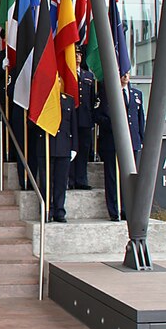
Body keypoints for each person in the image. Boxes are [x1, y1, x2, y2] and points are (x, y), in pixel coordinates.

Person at [95, 71, 145, 221]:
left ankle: (127, 209)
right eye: (122, 73)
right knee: (112, 177)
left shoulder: (136, 94)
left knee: (129, 178)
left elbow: (140, 118)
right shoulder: (107, 93)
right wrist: (114, 125)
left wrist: (141, 139)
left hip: (132, 142)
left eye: (128, 73)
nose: (125, 76)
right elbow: (97, 115)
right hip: (112, 142)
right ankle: (114, 210)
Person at [36, 92, 78, 223]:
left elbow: (73, 126)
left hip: (64, 147)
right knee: (46, 182)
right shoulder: (42, 98)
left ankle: (59, 211)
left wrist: (74, 147)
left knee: (61, 182)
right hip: (46, 146)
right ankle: (46, 210)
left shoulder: (68, 100)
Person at [69, 46, 96, 190]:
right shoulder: (67, 73)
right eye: (75, 54)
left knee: (84, 150)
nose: (78, 56)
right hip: (70, 118)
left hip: (85, 119)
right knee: (72, 149)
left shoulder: (88, 76)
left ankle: (82, 179)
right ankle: (70, 179)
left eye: (79, 54)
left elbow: (92, 100)